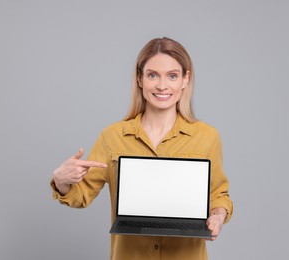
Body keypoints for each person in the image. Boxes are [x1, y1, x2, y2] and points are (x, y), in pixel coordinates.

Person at [50, 37, 233, 260]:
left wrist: (218, 215)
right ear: (139, 79)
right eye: (152, 75)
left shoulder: (207, 137)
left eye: (172, 76)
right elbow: (81, 196)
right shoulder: (112, 137)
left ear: (185, 80)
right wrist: (61, 181)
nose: (162, 85)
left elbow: (218, 196)